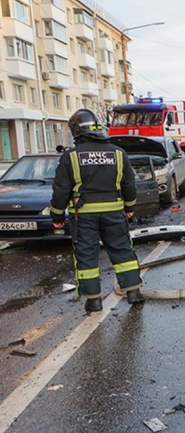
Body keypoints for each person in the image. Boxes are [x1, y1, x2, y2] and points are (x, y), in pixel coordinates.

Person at [50, 109, 144, 313]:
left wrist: (56, 216)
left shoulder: (71, 156)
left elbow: (61, 190)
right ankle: (133, 291)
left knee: (86, 254)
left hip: (83, 215)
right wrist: (130, 207)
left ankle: (93, 300)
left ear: (76, 131)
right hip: (114, 211)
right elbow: (129, 184)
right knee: (122, 249)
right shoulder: (118, 153)